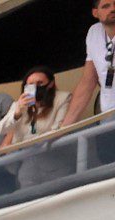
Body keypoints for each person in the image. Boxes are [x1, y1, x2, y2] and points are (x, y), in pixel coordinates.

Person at [61, 0, 115, 128]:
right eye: (106, 6)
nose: (113, 9)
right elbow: (87, 82)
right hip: (109, 117)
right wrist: (64, 128)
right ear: (95, 13)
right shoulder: (93, 33)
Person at [1, 67, 64, 146]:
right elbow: (1, 129)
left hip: (47, 151)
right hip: (19, 154)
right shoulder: (19, 104)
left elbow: (57, 130)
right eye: (31, 85)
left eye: (40, 83)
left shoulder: (62, 98)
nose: (35, 87)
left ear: (51, 84)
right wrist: (17, 114)